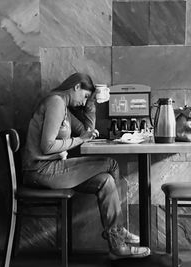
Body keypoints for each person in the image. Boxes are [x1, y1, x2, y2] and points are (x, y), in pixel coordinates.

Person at [22, 72, 150, 259]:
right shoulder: (55, 103)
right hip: (41, 171)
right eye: (84, 96)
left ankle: (116, 246)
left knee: (106, 181)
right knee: (111, 164)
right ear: (76, 87)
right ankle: (116, 233)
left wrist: (92, 104)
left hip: (51, 169)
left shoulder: (63, 107)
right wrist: (78, 140)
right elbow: (47, 145)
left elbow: (86, 131)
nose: (83, 102)